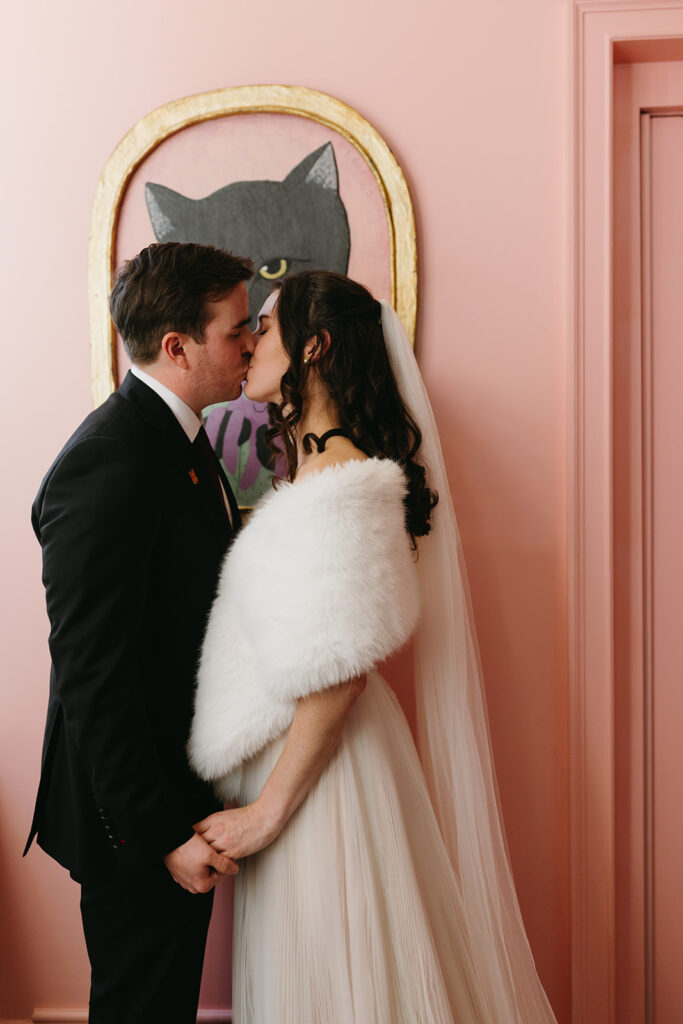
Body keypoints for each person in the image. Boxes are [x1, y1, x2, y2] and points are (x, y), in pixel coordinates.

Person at [188, 270, 560, 1023]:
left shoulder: (342, 481)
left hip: (325, 785)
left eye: (266, 325)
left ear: (314, 346)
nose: (251, 340)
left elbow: (339, 676)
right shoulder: (321, 474)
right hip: (312, 771)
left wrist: (265, 814)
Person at [24, 242, 255, 1024]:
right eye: (237, 329)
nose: (251, 342)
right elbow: (92, 673)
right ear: (177, 346)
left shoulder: (182, 441)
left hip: (175, 789)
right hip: (133, 815)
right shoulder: (112, 461)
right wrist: (161, 835)